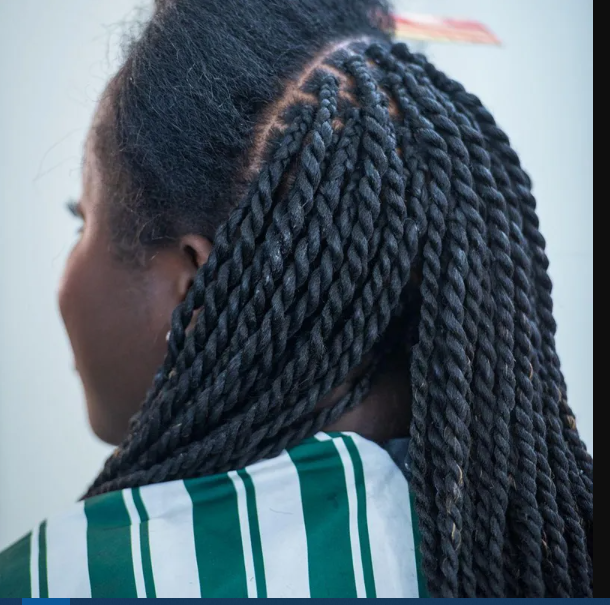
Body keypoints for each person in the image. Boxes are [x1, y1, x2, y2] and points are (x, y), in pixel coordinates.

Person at [0, 0, 594, 598]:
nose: (66, 274)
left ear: (199, 283)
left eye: (82, 221)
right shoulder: (556, 547)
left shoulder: (60, 579)